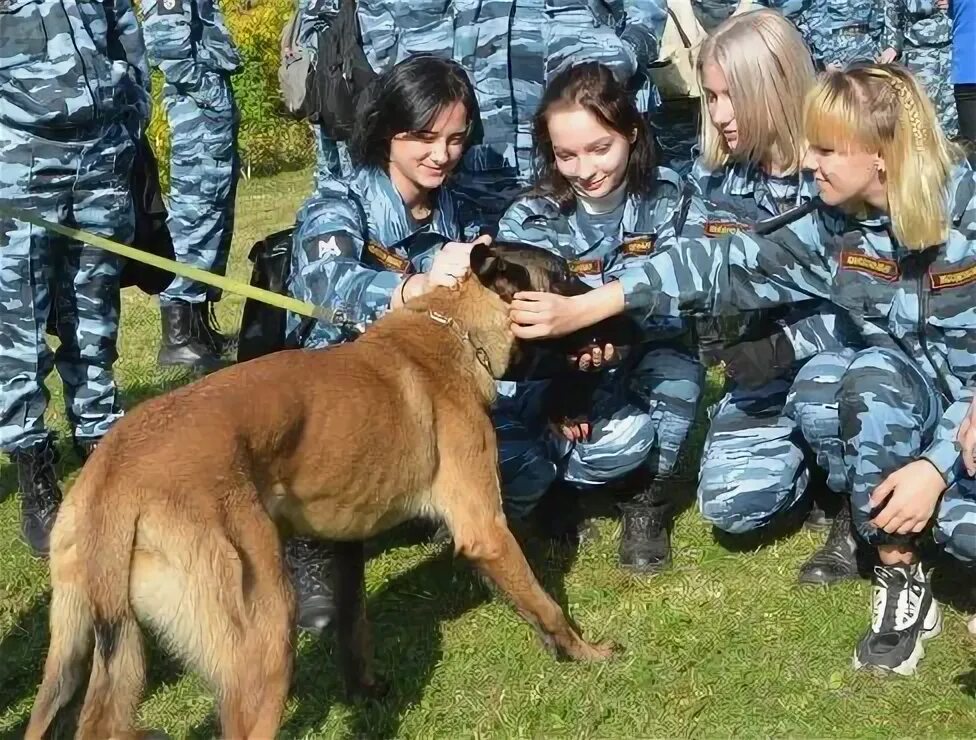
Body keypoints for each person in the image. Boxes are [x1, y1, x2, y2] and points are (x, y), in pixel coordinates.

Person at [625, 63, 976, 676]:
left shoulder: (968, 208)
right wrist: (591, 301)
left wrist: (936, 464)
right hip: (925, 408)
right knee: (872, 377)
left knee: (952, 519)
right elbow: (719, 266)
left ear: (882, 157)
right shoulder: (830, 224)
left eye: (824, 148)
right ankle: (900, 574)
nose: (807, 163)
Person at [284, 55, 486, 633]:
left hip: (424, 384)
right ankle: (312, 543)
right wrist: (421, 286)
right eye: (421, 136)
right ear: (386, 131)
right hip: (335, 384)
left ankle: (427, 491)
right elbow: (330, 283)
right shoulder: (339, 200)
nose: (440, 154)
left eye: (454, 138)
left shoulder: (461, 210)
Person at [497, 62, 704, 573]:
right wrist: (562, 381)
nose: (585, 169)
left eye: (599, 149)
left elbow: (691, 290)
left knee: (678, 374)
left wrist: (619, 331)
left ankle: (646, 503)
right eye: (565, 154)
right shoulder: (529, 217)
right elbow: (513, 320)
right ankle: (550, 485)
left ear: (631, 133)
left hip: (641, 358)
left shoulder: (670, 199)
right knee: (521, 434)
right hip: (552, 376)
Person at [685, 9, 864, 586]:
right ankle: (811, 467)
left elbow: (882, 305)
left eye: (729, 95)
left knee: (822, 395)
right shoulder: (714, 178)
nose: (719, 114)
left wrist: (787, 346)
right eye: (710, 96)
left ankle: (854, 516)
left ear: (775, 86)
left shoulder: (841, 168)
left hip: (845, 362)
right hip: (758, 370)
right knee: (730, 507)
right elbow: (689, 266)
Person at [302, 0, 667, 234]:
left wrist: (616, 59)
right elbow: (350, 47)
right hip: (453, 174)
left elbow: (645, 16)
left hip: (574, 163)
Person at [0, 0, 149, 556]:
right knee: (18, 322)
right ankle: (34, 466)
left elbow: (124, 36)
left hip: (100, 154)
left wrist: (130, 120)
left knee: (95, 311)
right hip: (19, 156)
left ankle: (101, 447)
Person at [139, 0, 243, 371]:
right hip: (197, 111)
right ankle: (178, 337)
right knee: (195, 215)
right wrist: (212, 99)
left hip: (208, 106)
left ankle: (199, 327)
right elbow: (166, 44)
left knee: (215, 217)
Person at [899, 0, 957, 137]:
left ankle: (950, 154)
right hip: (920, 53)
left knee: (952, 116)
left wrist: (954, 3)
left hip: (951, 50)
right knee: (922, 113)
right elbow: (899, 10)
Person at [798, 0, 902, 70]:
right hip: (834, 66)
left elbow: (891, 13)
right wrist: (824, 64)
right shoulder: (815, 5)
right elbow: (808, 27)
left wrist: (892, 47)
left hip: (872, 62)